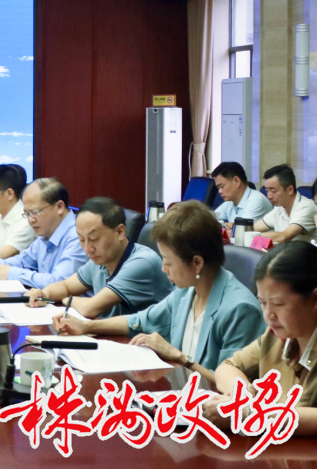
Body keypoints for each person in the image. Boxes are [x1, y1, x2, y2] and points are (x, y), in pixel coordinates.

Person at [54, 201, 265, 386]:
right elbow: (140, 321)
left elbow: (231, 388)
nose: (164, 269)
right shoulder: (186, 292)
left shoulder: (239, 309)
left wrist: (179, 357)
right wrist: (87, 326)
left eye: (168, 262)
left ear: (197, 263)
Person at [205, 241, 317, 429]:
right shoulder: (276, 336)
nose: (269, 315)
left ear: (315, 299)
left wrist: (250, 413)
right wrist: (241, 393)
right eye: (263, 303)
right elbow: (228, 367)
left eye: (279, 304)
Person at [24, 197, 172, 319]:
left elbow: (89, 309)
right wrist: (43, 294)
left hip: (147, 343)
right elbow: (66, 286)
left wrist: (66, 299)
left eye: (94, 239)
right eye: (81, 240)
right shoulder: (100, 260)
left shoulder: (141, 263)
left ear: (120, 232)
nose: (88, 249)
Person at [0, 177, 87, 289]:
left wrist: (11, 273)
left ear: (59, 207)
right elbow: (23, 261)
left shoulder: (79, 236)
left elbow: (59, 283)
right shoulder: (47, 232)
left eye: (35, 212)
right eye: (27, 214)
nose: (30, 220)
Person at [254, 164, 317, 244]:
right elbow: (255, 228)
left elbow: (284, 236)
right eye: (267, 191)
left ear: (290, 190)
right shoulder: (279, 208)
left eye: (273, 191)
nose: (269, 196)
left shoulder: (307, 206)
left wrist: (251, 236)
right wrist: (240, 229)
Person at [211, 161, 272, 226]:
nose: (220, 191)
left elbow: (242, 229)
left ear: (237, 181)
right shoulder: (230, 202)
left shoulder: (256, 200)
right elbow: (209, 218)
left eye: (222, 186)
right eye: (218, 188)